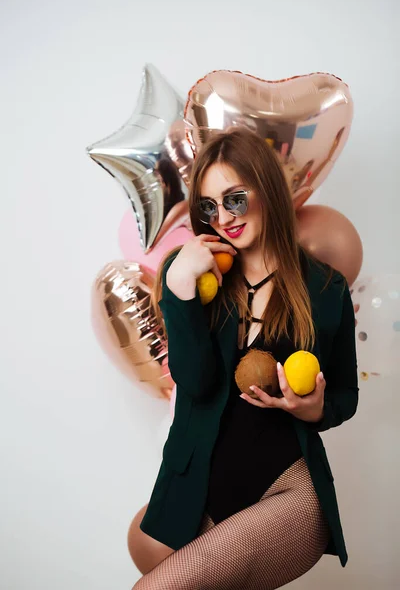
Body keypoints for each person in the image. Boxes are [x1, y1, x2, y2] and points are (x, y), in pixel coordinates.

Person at [129, 127, 359, 589]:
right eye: (209, 207)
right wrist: (180, 292)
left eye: (235, 199)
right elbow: (195, 384)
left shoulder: (325, 289)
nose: (223, 218)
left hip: (288, 492)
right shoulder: (198, 277)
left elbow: (345, 394)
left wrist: (315, 408)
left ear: (266, 188)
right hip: (204, 495)